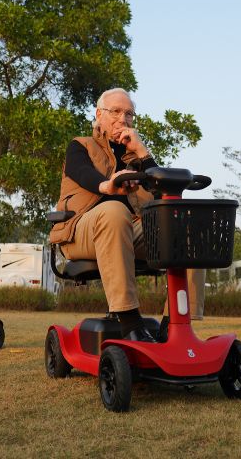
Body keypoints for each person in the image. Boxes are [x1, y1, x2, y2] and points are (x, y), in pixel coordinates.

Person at [49, 88, 204, 342]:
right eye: (116, 112)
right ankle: (130, 323)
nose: (123, 118)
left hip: (130, 229)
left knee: (184, 227)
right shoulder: (80, 146)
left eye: (129, 113)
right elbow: (84, 174)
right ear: (99, 115)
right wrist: (108, 185)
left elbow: (164, 194)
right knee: (114, 210)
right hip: (81, 230)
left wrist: (143, 152)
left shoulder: (137, 158)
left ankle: (174, 325)